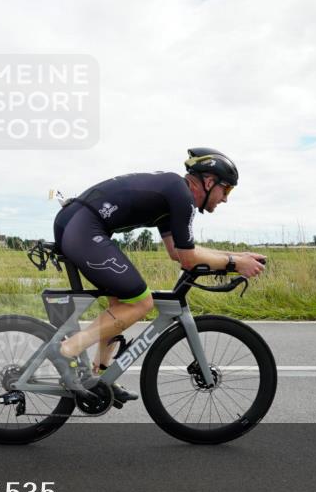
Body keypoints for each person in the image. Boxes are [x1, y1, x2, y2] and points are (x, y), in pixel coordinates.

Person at [45, 148, 267, 401]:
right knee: (141, 302)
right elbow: (188, 258)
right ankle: (66, 350)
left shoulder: (173, 194)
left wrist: (238, 257)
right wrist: (234, 263)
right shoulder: (181, 196)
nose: (225, 199)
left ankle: (100, 376)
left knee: (121, 303)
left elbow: (178, 252)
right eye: (226, 190)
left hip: (77, 223)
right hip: (82, 227)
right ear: (208, 182)